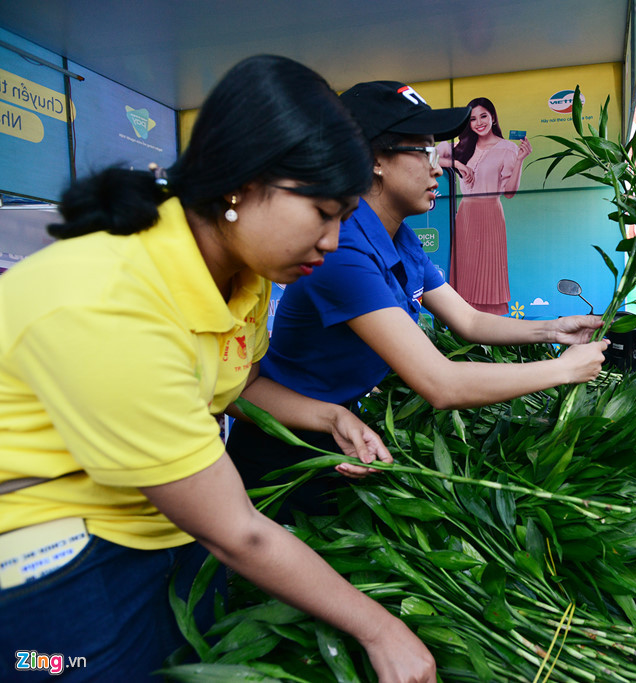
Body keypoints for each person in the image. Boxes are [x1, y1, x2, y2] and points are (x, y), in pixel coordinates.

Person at [0, 56, 434, 682]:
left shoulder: (244, 271)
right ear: (240, 183)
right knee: (62, 669)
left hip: (168, 526)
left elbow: (242, 383)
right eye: (323, 214)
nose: (334, 241)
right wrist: (381, 628)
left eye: (344, 217)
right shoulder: (109, 301)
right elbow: (238, 532)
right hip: (57, 558)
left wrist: (329, 415)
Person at [227, 81, 607, 515]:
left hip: (339, 430)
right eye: (423, 151)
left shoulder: (400, 238)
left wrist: (553, 329)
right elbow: (441, 384)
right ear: (372, 161)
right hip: (283, 446)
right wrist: (561, 371)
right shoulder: (343, 250)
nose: (439, 167)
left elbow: (470, 320)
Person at [436, 97, 532, 315]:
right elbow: (429, 156)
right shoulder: (461, 147)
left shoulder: (507, 148)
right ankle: (463, 324)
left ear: (493, 117)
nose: (478, 122)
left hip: (490, 214)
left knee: (489, 272)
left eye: (483, 116)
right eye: (472, 119)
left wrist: (520, 160)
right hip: (466, 214)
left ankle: (488, 329)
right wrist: (457, 164)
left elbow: (509, 192)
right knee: (465, 271)